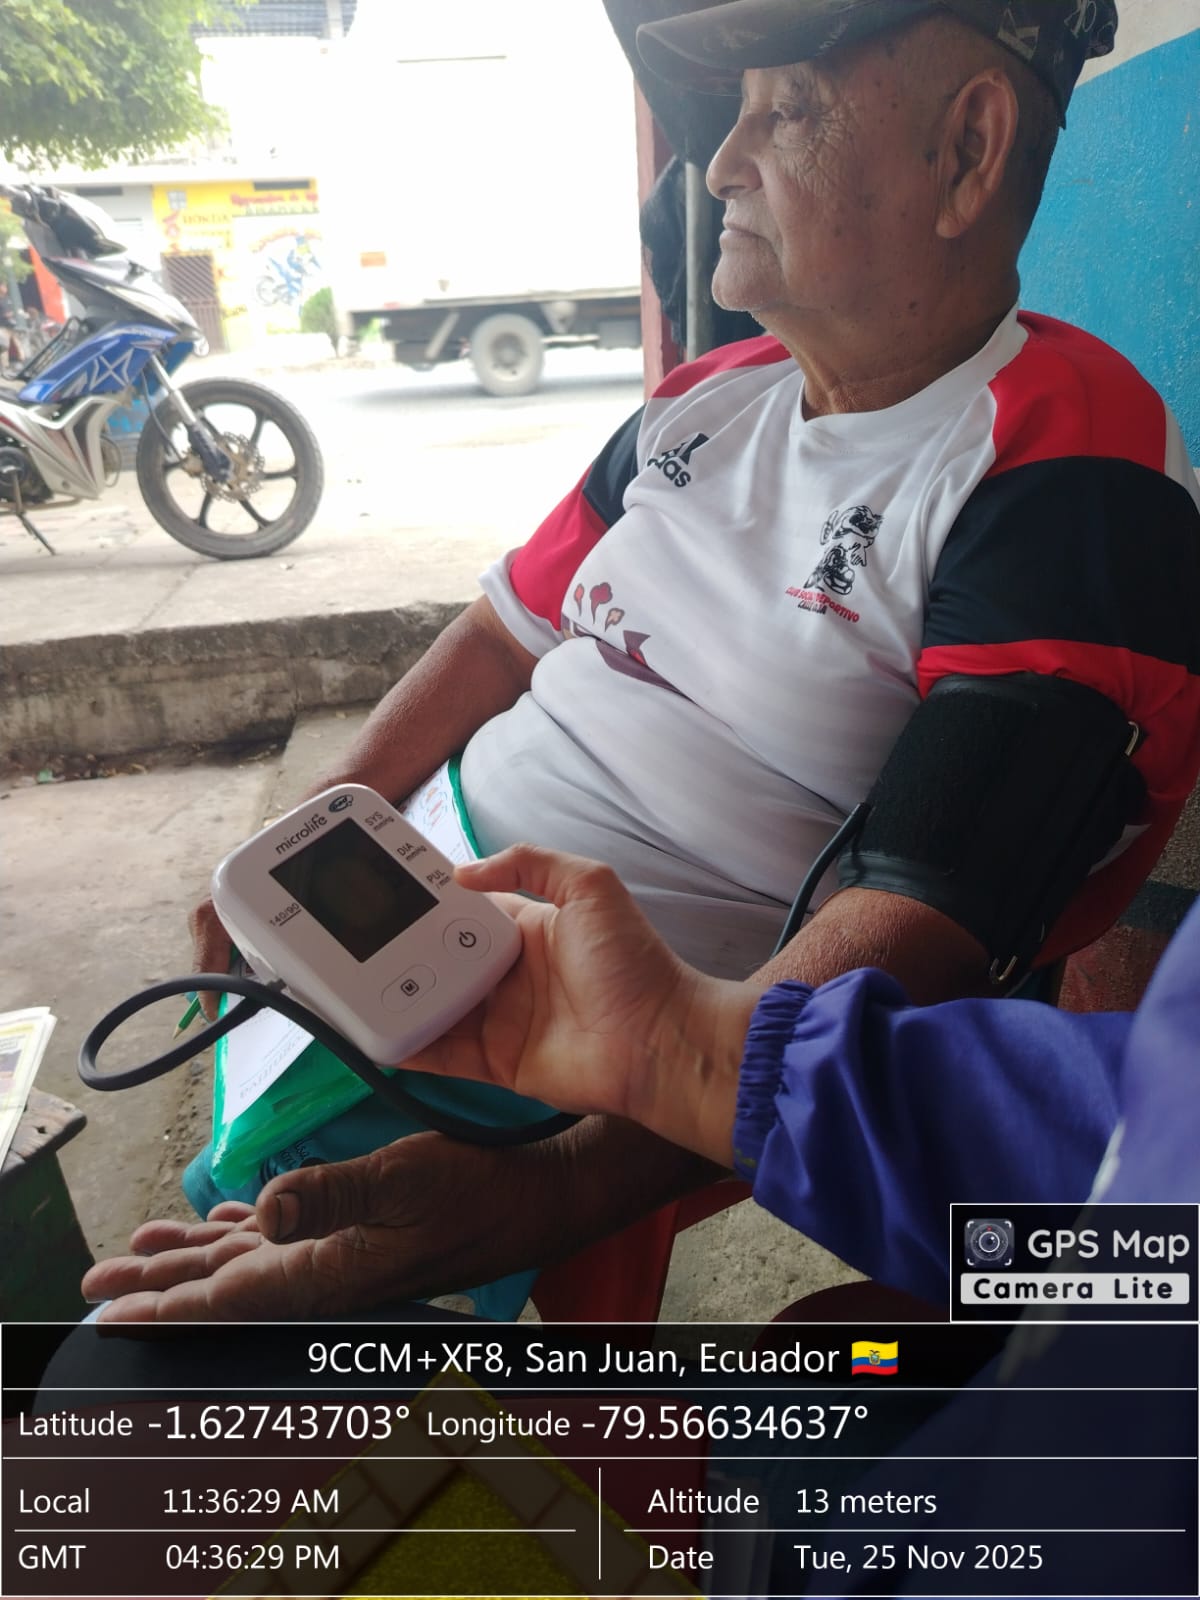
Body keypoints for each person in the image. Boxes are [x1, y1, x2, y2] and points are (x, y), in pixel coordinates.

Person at [162, 0, 1198, 1315]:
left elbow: (933, 922)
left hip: (568, 1037)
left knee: (211, 1339)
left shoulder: (1067, 464)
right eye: (738, 113)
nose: (720, 167)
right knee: (222, 1238)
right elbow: (502, 629)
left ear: (968, 151)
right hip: (405, 889)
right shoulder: (715, 395)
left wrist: (557, 1187)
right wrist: (326, 810)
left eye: (788, 111)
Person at [83, 841, 1191, 1319]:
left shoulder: (1055, 483)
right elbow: (1140, 1181)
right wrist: (683, 1058)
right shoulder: (674, 430)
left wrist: (586, 1170)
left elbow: (951, 876)